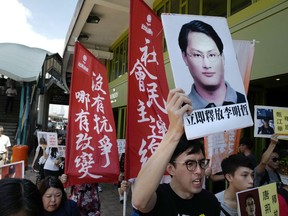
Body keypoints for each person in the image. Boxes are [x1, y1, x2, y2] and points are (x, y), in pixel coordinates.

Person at [132, 88, 220, 215]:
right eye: (190, 164)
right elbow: (139, 200)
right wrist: (174, 131)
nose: (199, 171)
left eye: (201, 163)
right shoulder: (159, 197)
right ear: (171, 168)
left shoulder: (210, 201)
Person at [178, 20, 246, 110]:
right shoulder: (182, 110)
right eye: (197, 55)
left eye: (212, 55)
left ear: (222, 57)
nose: (207, 64)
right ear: (184, 57)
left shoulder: (244, 102)